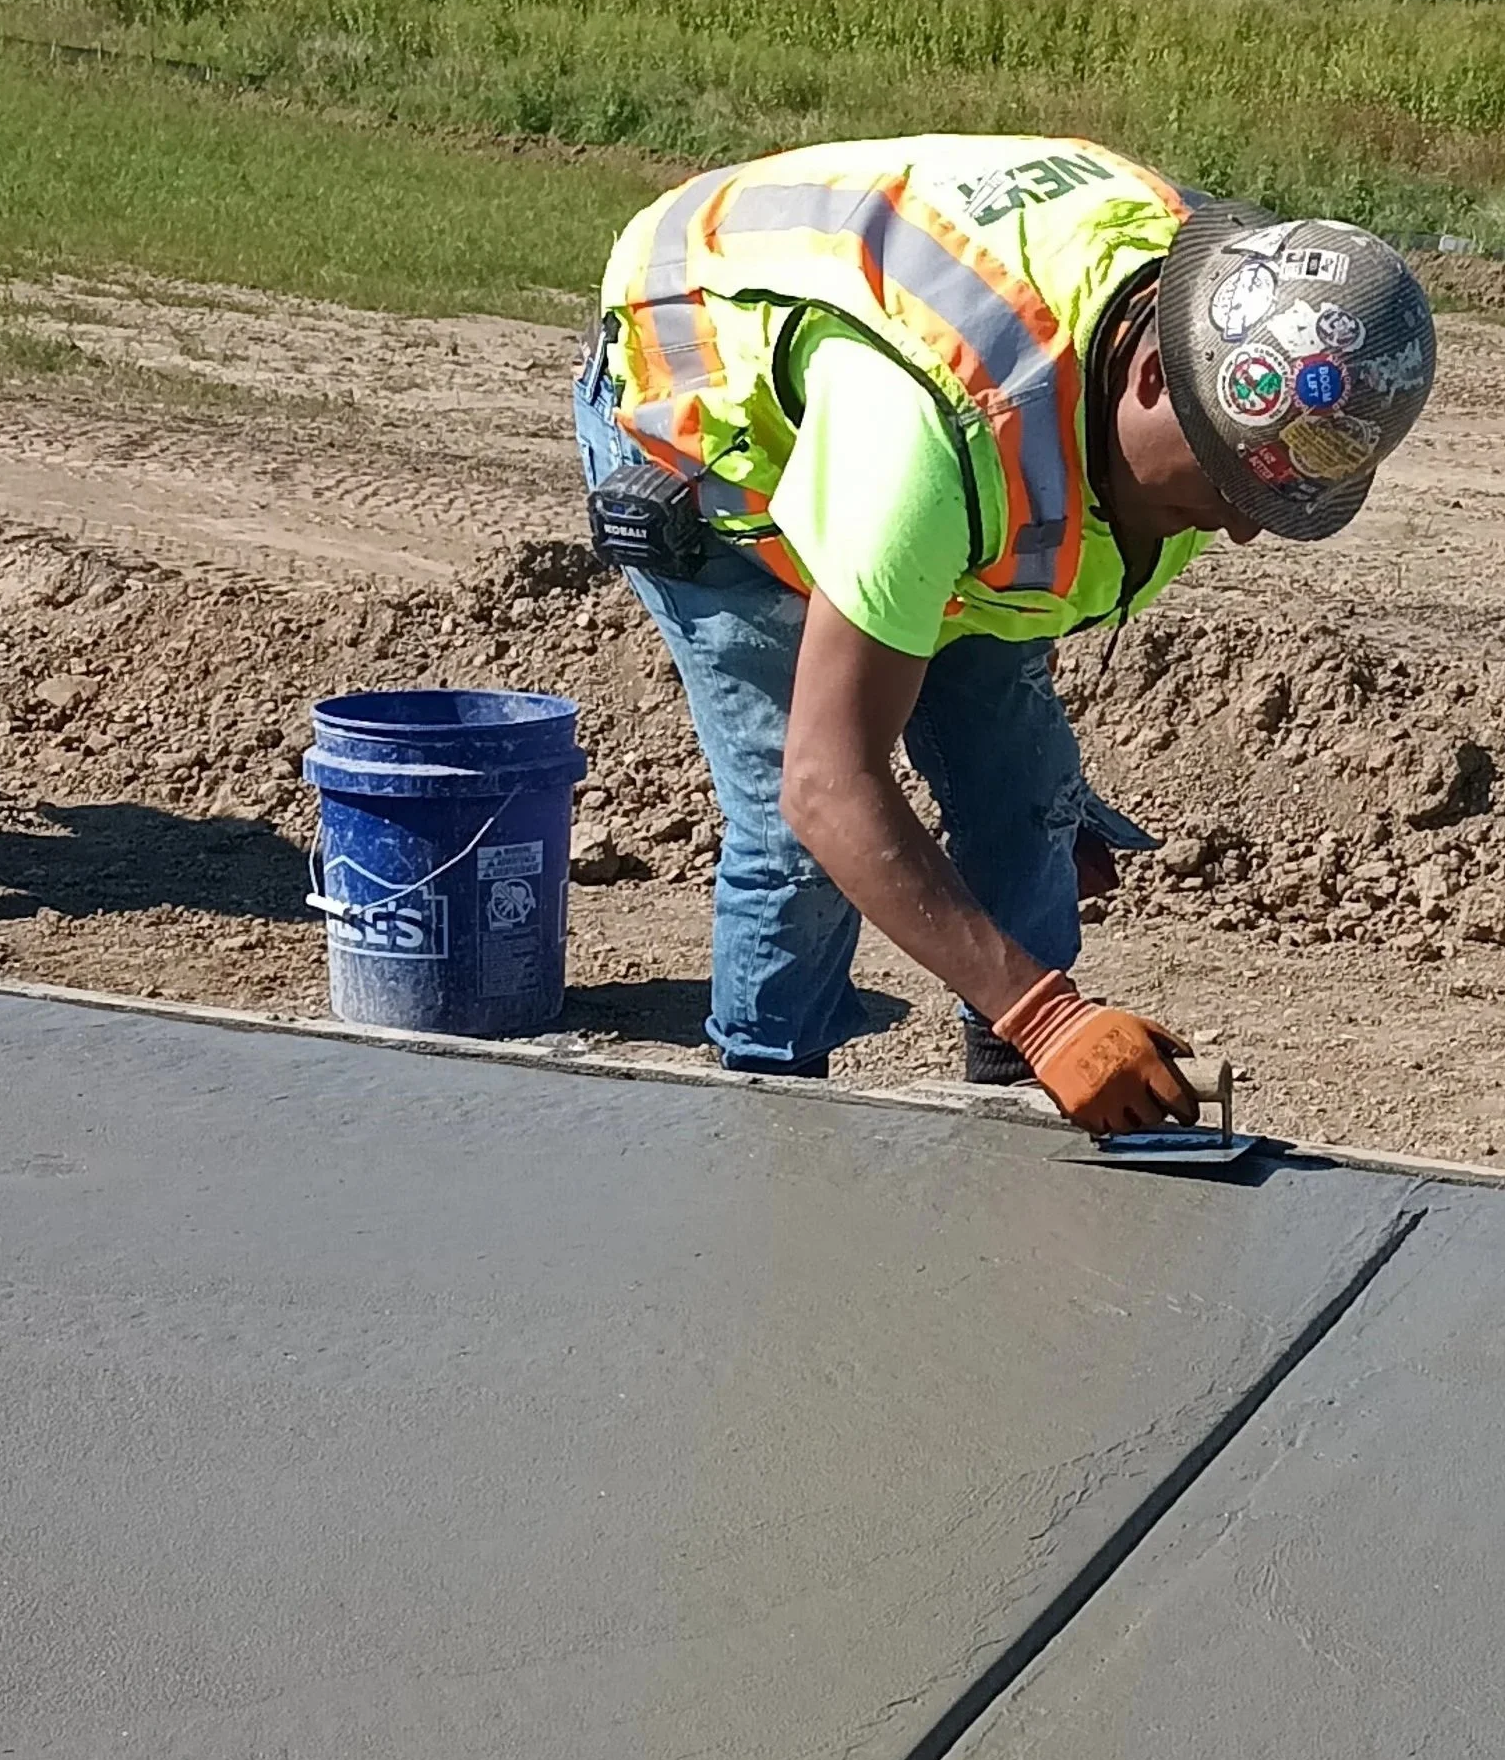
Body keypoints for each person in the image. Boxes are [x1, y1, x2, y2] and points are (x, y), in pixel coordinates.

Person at [571, 134, 1438, 1135]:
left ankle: (1029, 1101)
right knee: (799, 841)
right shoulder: (919, 449)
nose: (1243, 524)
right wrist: (1046, 1009)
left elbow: (1032, 559)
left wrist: (1025, 800)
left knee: (1025, 795)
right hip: (712, 423)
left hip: (964, 449)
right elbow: (825, 783)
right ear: (1154, 379)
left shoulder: (1230, 315)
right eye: (1227, 484)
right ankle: (768, 1123)